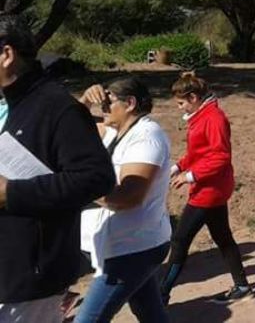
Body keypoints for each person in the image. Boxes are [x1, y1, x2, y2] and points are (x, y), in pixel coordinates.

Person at [0, 16, 115, 322]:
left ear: (6, 55)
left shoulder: (58, 107)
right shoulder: (15, 106)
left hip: (29, 282)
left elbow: (97, 177)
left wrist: (11, 193)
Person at [74, 78, 171, 322]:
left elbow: (129, 197)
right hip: (122, 243)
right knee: (150, 312)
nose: (103, 108)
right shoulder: (114, 132)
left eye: (108, 102)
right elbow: (69, 125)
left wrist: (77, 187)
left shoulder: (147, 137)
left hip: (132, 248)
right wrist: (85, 100)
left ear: (129, 103)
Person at [160, 73, 254, 304]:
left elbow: (220, 156)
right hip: (210, 187)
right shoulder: (201, 116)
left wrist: (191, 175)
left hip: (209, 190)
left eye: (181, 103)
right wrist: (177, 167)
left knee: (180, 240)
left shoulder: (213, 118)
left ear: (193, 97)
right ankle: (242, 286)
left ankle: (161, 295)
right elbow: (198, 152)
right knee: (223, 237)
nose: (179, 108)